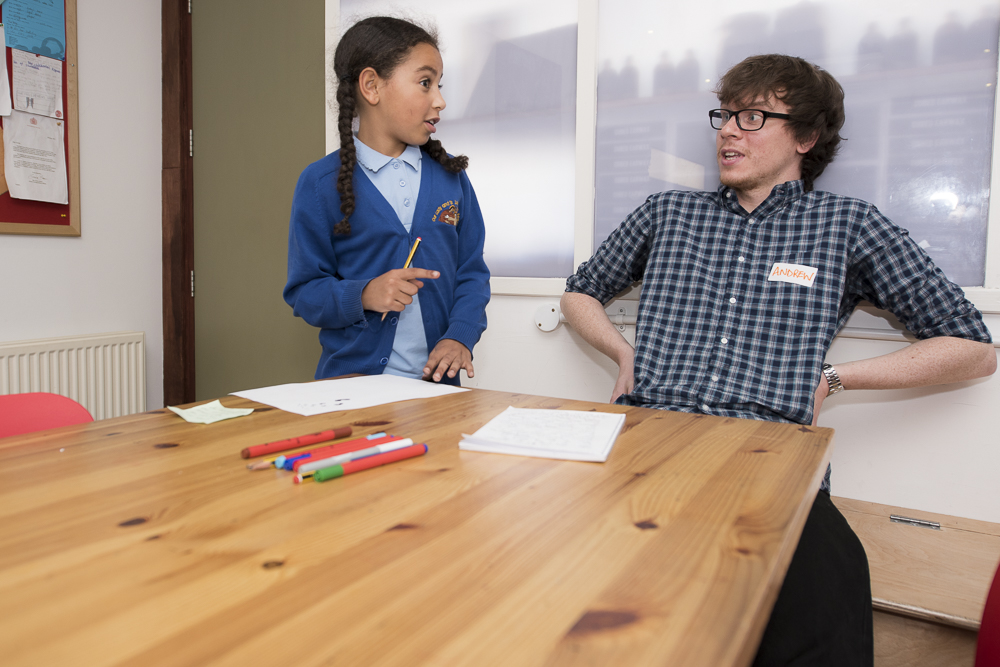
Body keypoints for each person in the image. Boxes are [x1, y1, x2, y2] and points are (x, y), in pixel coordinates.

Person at [561, 54, 996, 666]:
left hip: (771, 459)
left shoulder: (846, 224)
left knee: (832, 590)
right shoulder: (668, 213)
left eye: (755, 116)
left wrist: (835, 377)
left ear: (807, 137)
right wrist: (622, 351)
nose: (729, 130)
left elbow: (973, 347)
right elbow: (580, 292)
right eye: (727, 114)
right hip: (651, 446)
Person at [284, 17, 490, 386]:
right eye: (425, 83)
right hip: (349, 391)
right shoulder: (318, 185)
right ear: (371, 86)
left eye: (439, 85)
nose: (440, 100)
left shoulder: (452, 180)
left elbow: (472, 273)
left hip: (437, 392)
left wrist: (460, 335)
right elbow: (304, 292)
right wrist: (363, 293)